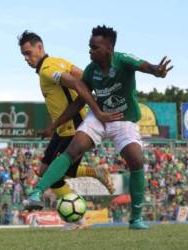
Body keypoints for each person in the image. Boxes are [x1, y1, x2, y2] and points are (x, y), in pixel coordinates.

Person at [26, 25, 173, 230]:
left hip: (124, 119)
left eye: (94, 47)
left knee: (136, 160)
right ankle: (37, 192)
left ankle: (136, 219)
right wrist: (54, 126)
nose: (90, 51)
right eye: (89, 47)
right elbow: (78, 103)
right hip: (99, 117)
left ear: (108, 49)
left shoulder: (123, 60)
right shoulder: (91, 71)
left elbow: (145, 66)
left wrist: (157, 71)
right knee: (73, 149)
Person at [18, 31, 120, 209]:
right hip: (62, 128)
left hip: (72, 125)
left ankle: (78, 214)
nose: (26, 58)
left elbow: (75, 82)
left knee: (55, 174)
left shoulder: (47, 70)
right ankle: (79, 208)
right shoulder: (58, 61)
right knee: (44, 171)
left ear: (39, 47)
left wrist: (94, 105)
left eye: (28, 53)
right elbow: (82, 75)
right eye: (23, 55)